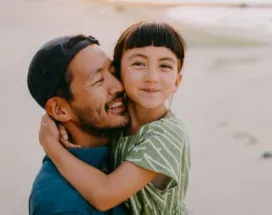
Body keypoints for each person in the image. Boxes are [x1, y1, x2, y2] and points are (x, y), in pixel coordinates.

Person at [39, 21, 191, 215]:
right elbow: (80, 109)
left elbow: (104, 194)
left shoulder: (166, 135)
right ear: (120, 71)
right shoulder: (123, 113)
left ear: (177, 81)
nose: (152, 77)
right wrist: (54, 119)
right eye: (139, 64)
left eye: (165, 66)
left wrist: (51, 145)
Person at [27, 35, 129, 215]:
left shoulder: (129, 143)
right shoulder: (61, 202)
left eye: (113, 72)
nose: (118, 86)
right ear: (59, 110)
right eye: (98, 81)